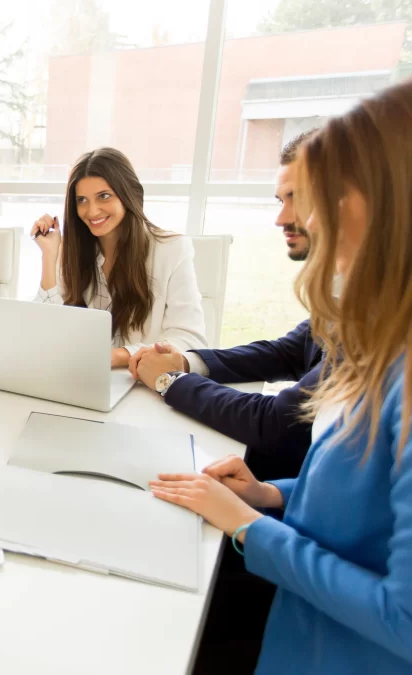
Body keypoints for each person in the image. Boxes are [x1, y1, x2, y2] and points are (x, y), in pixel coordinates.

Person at [151, 80, 412, 674]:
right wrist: (270, 496)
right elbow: (362, 502)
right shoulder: (382, 334)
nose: (303, 216)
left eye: (326, 193)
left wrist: (247, 527)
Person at [128, 130, 320, 482]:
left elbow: (279, 422)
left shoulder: (383, 316)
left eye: (298, 198)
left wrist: (170, 381)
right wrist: (187, 362)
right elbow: (286, 354)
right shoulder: (344, 300)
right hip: (284, 487)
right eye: (281, 200)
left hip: (300, 497)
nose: (280, 218)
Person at [29, 148, 206, 366]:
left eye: (104, 196)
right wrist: (49, 254)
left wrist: (115, 356)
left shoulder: (172, 250)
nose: (92, 211)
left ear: (128, 194)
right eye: (82, 200)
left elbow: (189, 340)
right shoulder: (74, 252)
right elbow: (44, 328)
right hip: (81, 378)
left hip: (141, 383)